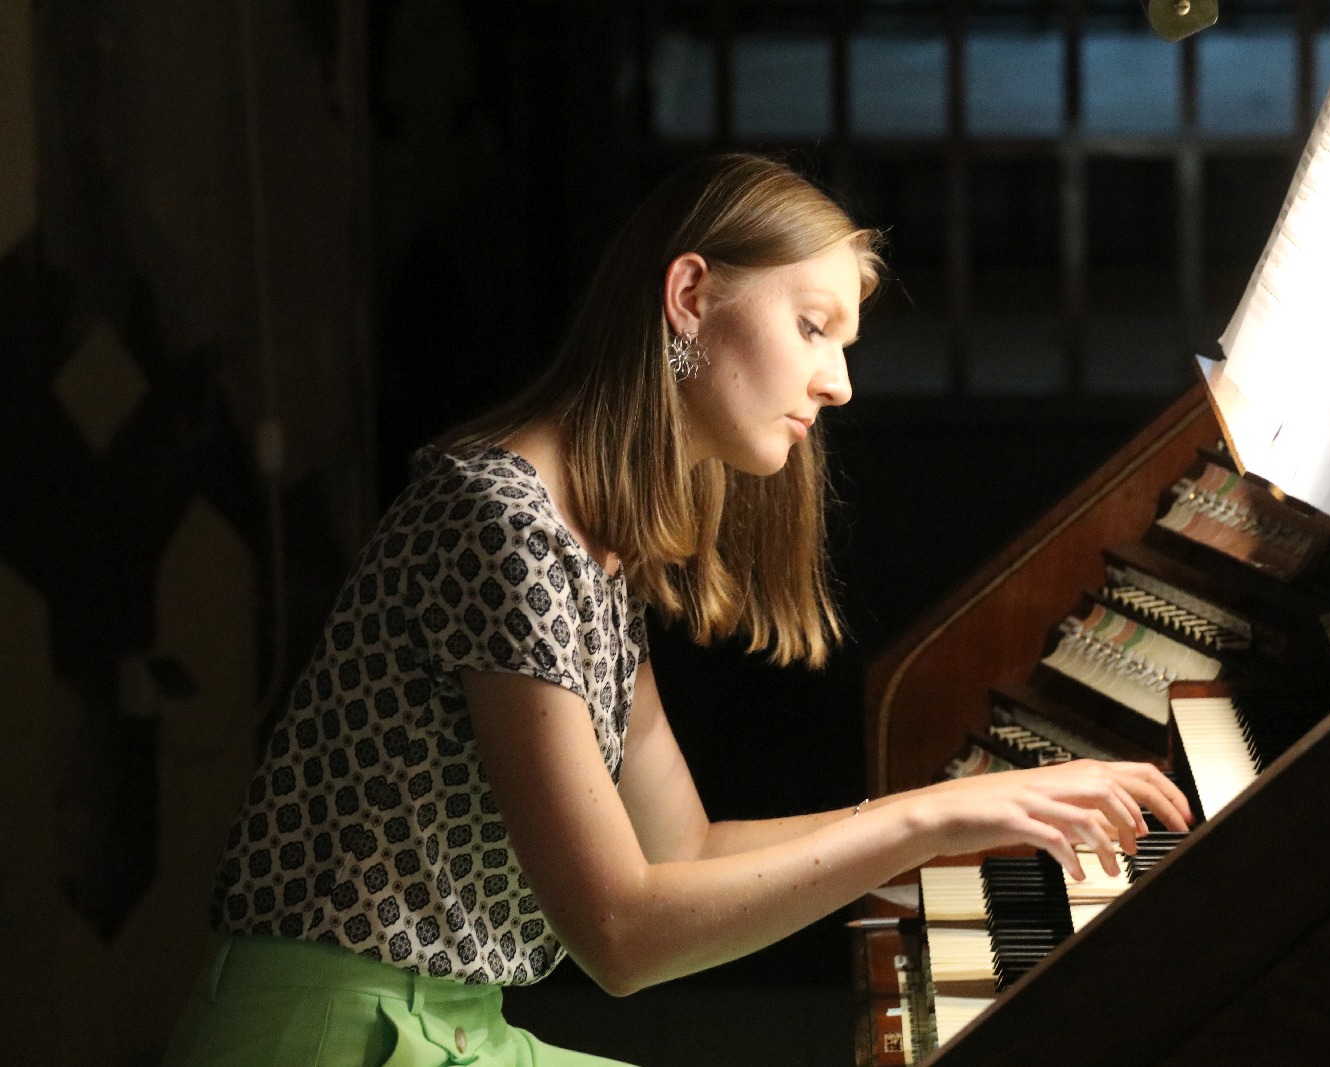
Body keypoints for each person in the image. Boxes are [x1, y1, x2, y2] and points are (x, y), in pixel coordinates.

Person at [162, 153, 1191, 1067]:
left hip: (450, 1027)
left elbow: (681, 853)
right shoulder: (501, 522)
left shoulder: (586, 544)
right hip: (332, 1035)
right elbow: (622, 933)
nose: (838, 383)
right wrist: (934, 818)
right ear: (691, 295)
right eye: (812, 327)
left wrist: (957, 810)